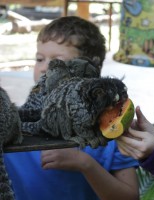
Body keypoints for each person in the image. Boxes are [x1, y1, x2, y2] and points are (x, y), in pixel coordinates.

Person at [4, 16, 139, 200]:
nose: (44, 68)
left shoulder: (112, 129)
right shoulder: (13, 124)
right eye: (39, 59)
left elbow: (130, 197)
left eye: (56, 62)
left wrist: (84, 163)